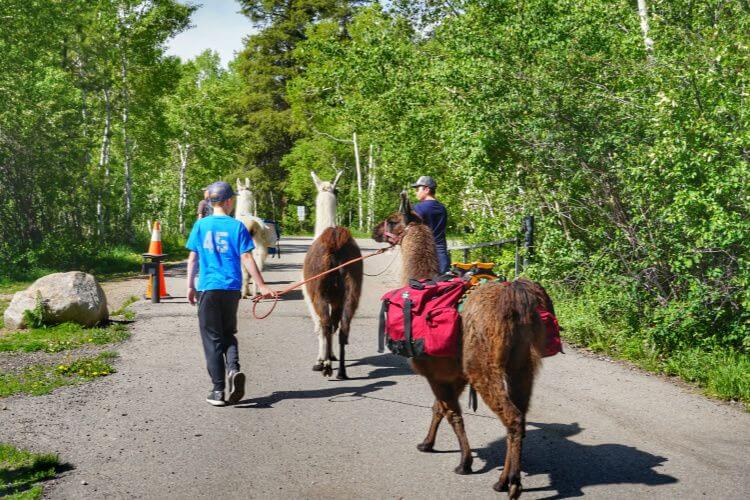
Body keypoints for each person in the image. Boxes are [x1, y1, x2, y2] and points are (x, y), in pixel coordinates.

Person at [185, 181, 275, 407]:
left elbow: (193, 258)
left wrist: (189, 286)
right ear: (228, 202)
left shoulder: (201, 226)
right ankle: (233, 369)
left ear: (210, 202)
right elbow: (247, 258)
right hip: (232, 289)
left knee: (212, 339)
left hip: (208, 288)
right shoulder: (237, 227)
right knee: (228, 334)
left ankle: (218, 391)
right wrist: (261, 285)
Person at [411, 175, 451, 274]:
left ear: (426, 189)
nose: (416, 192)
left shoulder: (418, 208)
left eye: (417, 189)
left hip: (426, 258)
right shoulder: (442, 208)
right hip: (442, 257)